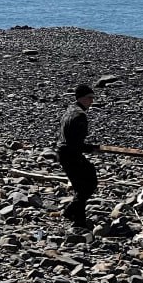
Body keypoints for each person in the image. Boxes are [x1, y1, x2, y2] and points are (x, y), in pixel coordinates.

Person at [57, 84, 100, 227]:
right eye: (89, 98)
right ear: (81, 98)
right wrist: (89, 148)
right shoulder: (80, 115)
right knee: (89, 182)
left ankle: (78, 216)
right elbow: (75, 142)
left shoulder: (69, 110)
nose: (92, 101)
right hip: (71, 153)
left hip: (63, 152)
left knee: (80, 186)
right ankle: (72, 212)